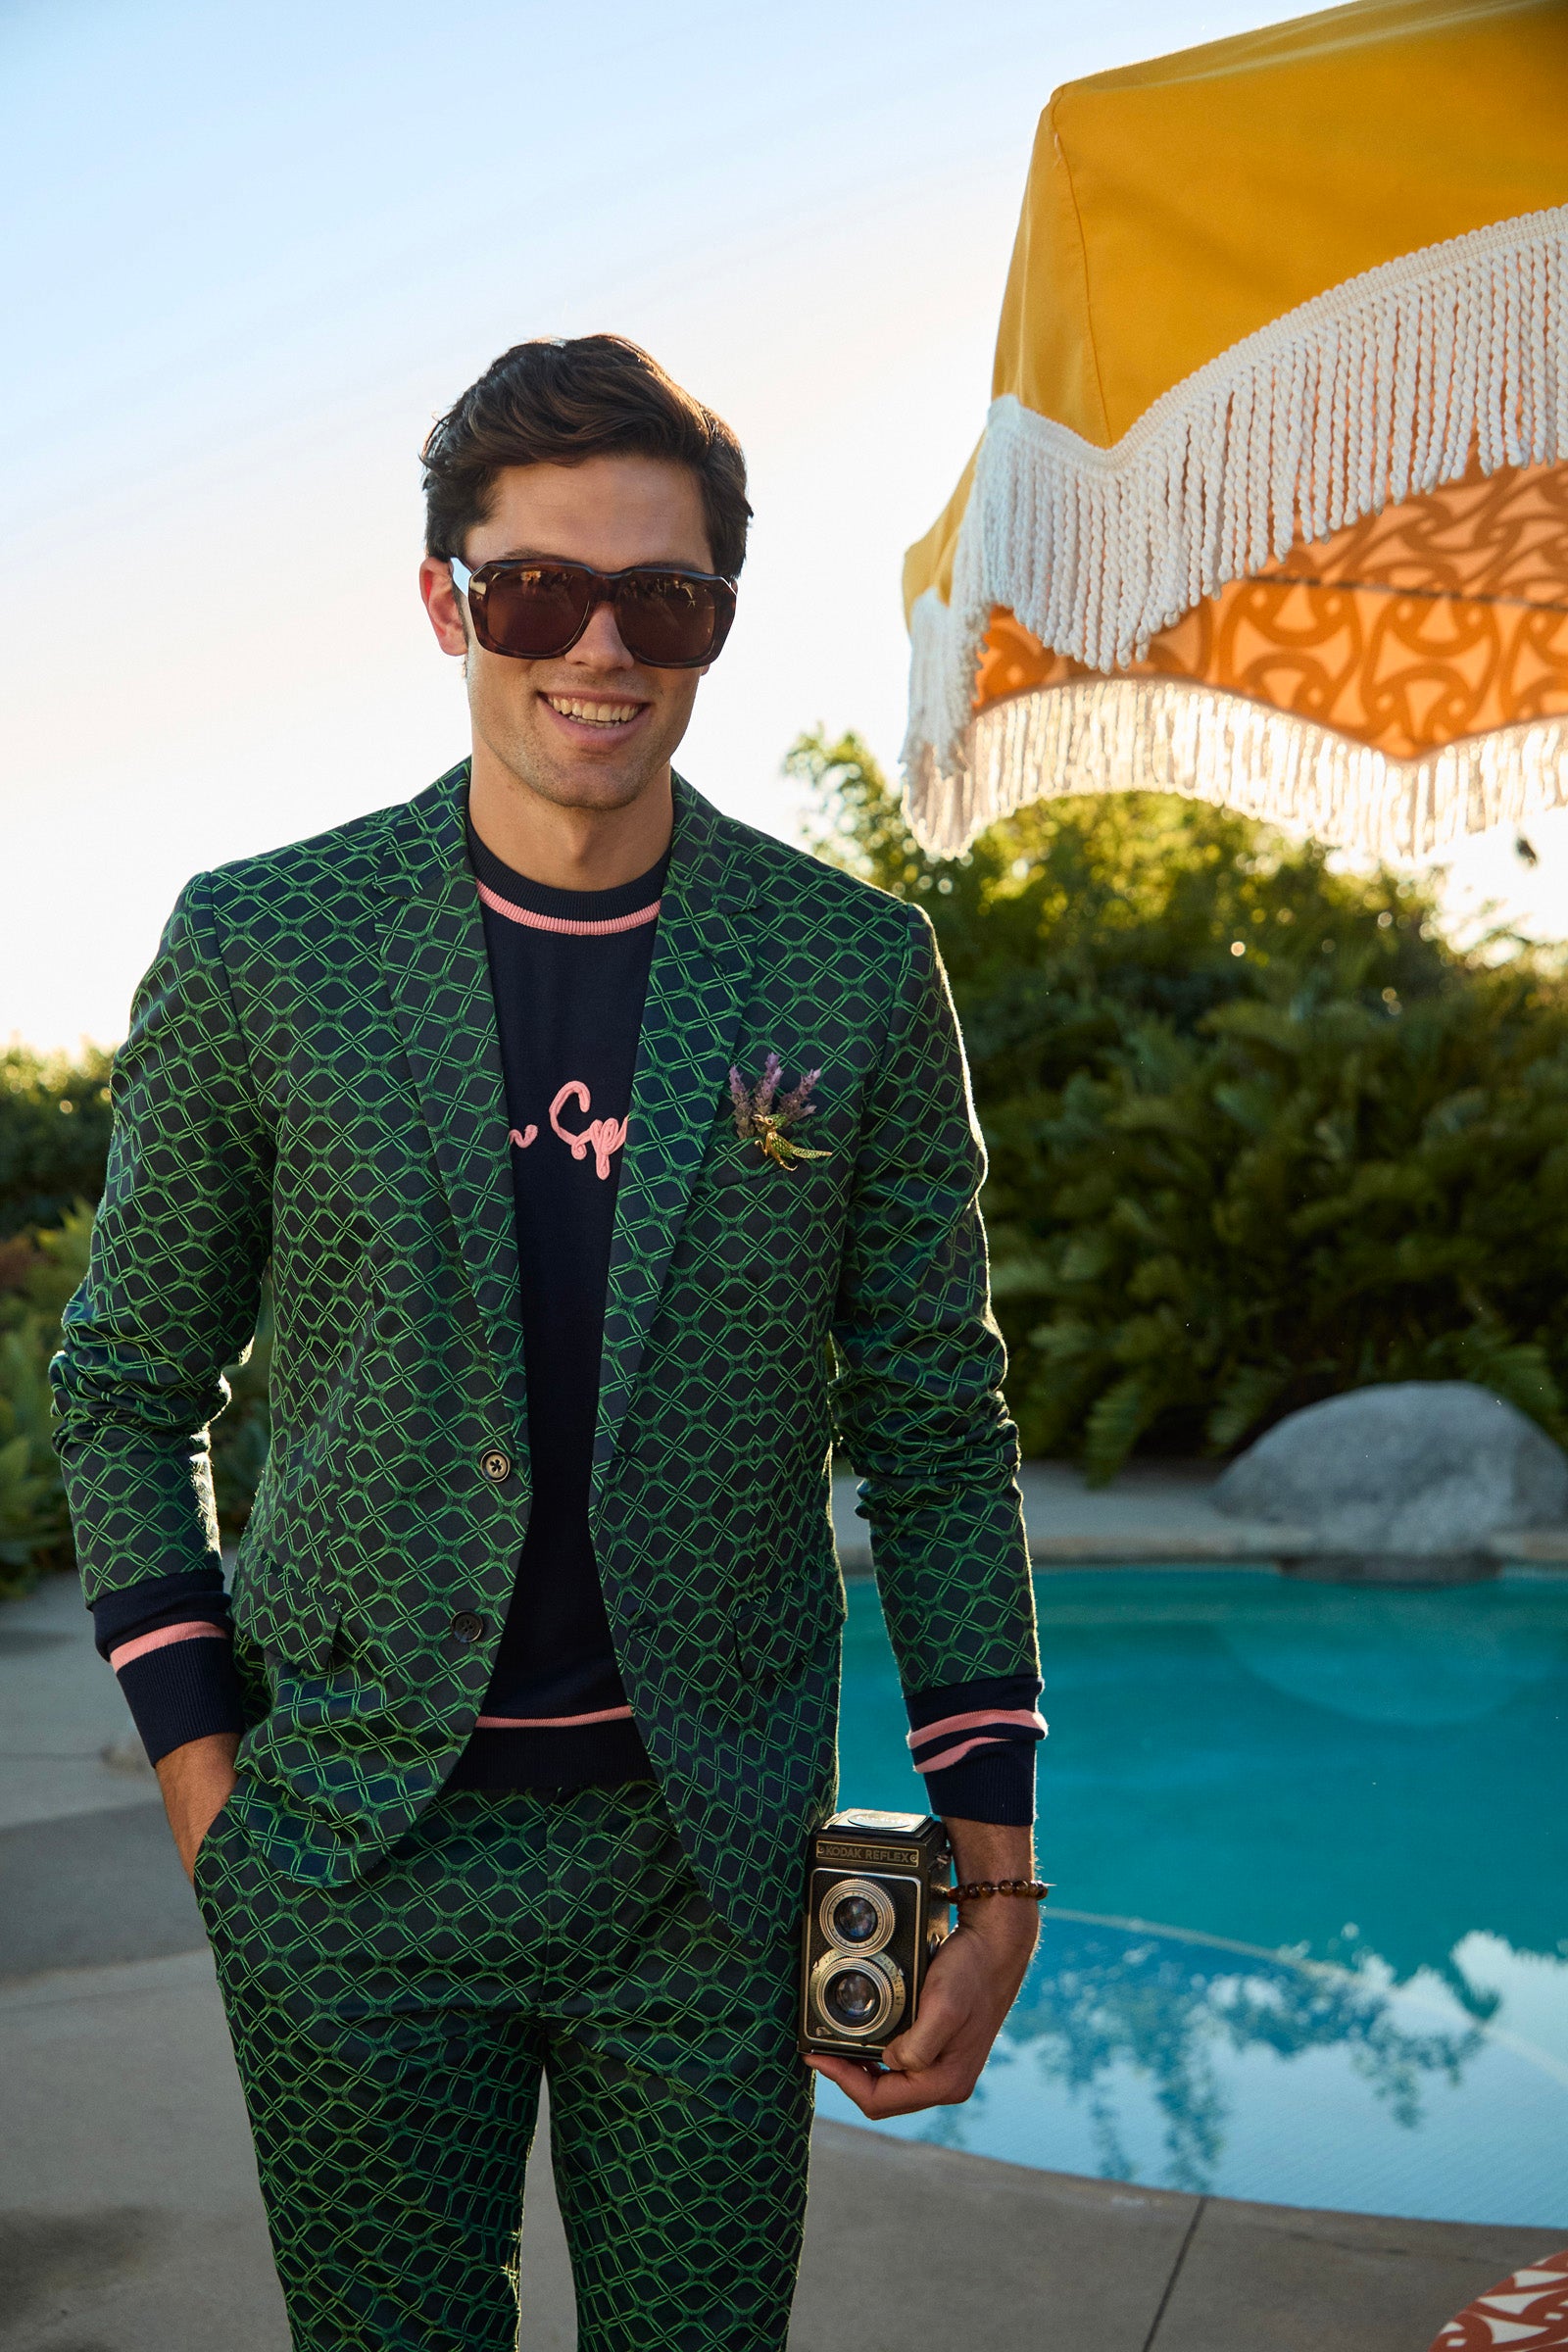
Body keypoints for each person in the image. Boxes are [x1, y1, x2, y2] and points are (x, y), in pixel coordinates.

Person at [54, 333, 1045, 2352]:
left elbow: (937, 1428)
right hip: (343, 1860)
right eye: (535, 590)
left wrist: (996, 1861)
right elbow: (125, 1382)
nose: (598, 646)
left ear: (716, 624)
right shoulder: (266, 947)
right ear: (446, 602)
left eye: (661, 598)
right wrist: (212, 1810)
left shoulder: (847, 969)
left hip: (708, 1869)